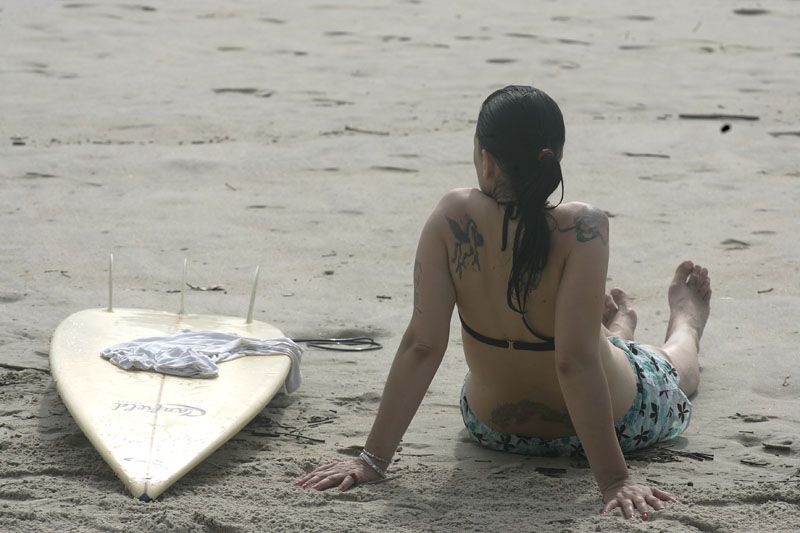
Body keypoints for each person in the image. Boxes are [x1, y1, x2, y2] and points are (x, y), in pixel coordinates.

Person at [293, 85, 711, 520]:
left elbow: (422, 344)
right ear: (554, 160)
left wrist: (372, 460)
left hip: (494, 428)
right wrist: (614, 480)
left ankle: (618, 331)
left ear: (486, 159)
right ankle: (684, 324)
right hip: (619, 426)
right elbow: (573, 362)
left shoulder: (451, 215)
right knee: (674, 365)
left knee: (596, 344)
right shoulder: (584, 227)